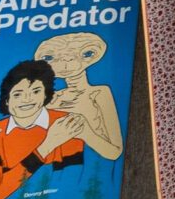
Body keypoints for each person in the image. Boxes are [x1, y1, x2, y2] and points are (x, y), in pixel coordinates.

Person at [0, 59, 86, 199]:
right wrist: (46, 146)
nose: (27, 99)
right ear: (7, 100)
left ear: (45, 95)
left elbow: (71, 184)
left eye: (36, 91)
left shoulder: (66, 124)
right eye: (18, 94)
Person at [36, 31, 123, 161]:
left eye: (85, 54)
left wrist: (86, 134)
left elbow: (115, 152)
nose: (65, 63)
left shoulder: (98, 93)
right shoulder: (50, 98)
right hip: (53, 164)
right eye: (50, 58)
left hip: (93, 163)